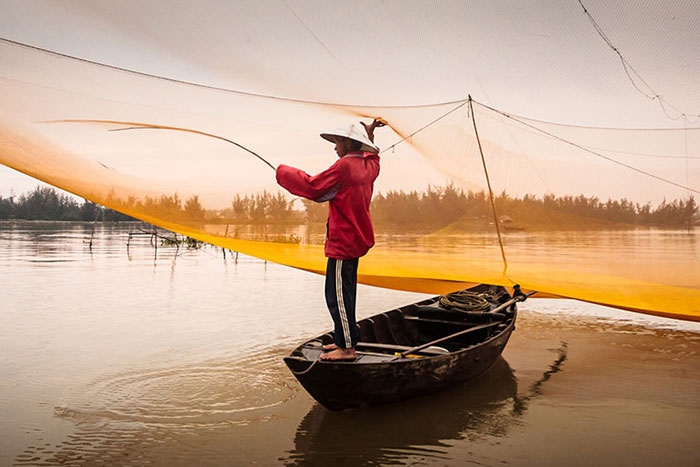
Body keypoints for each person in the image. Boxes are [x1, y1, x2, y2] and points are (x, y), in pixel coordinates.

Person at [276, 119, 385, 361]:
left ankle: (346, 348)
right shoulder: (369, 167)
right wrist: (370, 136)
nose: (335, 149)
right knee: (346, 292)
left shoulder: (344, 166)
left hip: (343, 242)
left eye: (337, 143)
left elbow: (313, 187)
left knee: (336, 296)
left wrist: (282, 171)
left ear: (347, 143)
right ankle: (342, 339)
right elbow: (375, 157)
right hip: (357, 239)